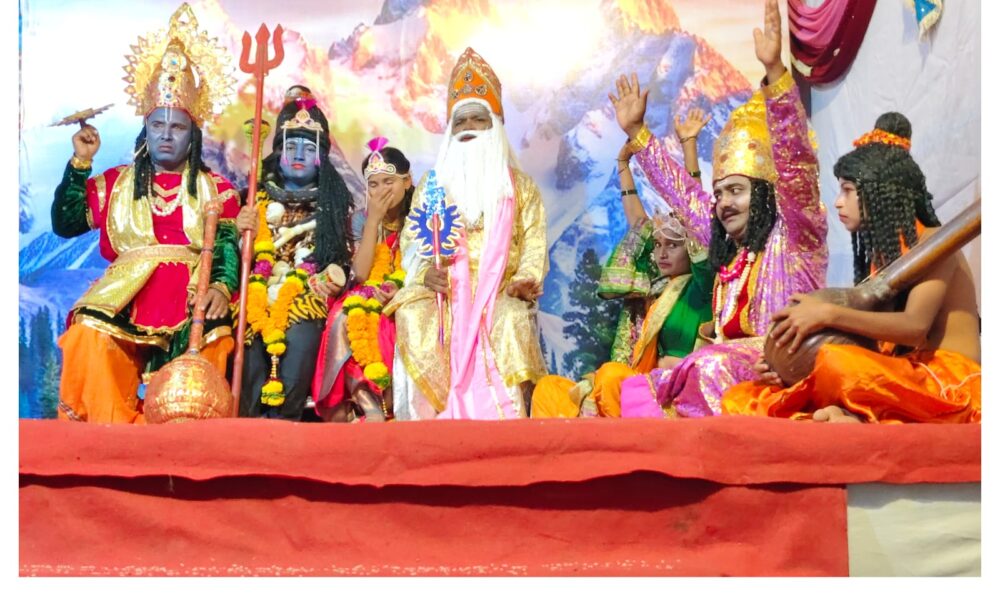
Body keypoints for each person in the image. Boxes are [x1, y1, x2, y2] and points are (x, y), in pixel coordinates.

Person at [610, 0, 827, 417]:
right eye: (720, 193)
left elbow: (796, 162)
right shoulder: (730, 248)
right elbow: (683, 196)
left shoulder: (795, 237)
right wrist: (638, 133)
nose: (724, 203)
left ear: (765, 194)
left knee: (705, 368)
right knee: (638, 385)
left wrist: (776, 74)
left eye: (736, 191)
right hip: (727, 368)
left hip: (779, 370)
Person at [722, 112, 981, 424]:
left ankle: (852, 413)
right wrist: (785, 367)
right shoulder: (883, 256)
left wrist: (828, 314)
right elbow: (877, 344)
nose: (838, 202)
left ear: (880, 191)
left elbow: (914, 329)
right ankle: (850, 412)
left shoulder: (935, 243)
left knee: (837, 364)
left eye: (847, 190)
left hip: (949, 381)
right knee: (750, 394)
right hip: (905, 372)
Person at [51, 4, 239, 423]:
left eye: (177, 127)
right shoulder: (116, 181)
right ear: (146, 130)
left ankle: (184, 440)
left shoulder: (216, 187)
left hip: (190, 291)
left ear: (193, 135)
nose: (166, 135)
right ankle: (111, 435)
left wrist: (221, 287)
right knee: (88, 334)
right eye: (158, 126)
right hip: (126, 292)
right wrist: (81, 163)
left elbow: (226, 243)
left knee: (213, 337)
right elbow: (66, 223)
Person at [384, 47, 548, 420]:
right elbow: (412, 244)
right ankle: (426, 423)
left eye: (478, 119)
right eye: (460, 121)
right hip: (443, 292)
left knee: (510, 318)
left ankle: (505, 423)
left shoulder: (520, 187)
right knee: (413, 315)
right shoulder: (432, 186)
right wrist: (424, 274)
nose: (469, 127)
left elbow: (534, 244)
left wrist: (524, 280)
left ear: (495, 127)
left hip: (500, 292)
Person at [531, 110, 714, 419]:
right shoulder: (653, 287)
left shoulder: (701, 287)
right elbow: (638, 223)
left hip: (674, 393)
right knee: (549, 388)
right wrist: (622, 166)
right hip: (635, 383)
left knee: (613, 376)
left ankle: (614, 442)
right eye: (658, 245)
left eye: (672, 246)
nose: (661, 253)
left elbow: (697, 217)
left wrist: (690, 147)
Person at [233, 87, 354, 420]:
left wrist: (328, 278)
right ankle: (246, 431)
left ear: (322, 158)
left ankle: (284, 428)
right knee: (249, 348)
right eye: (291, 145)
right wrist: (240, 233)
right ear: (278, 151)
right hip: (255, 293)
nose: (299, 153)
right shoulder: (252, 199)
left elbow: (340, 260)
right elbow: (231, 259)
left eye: (309, 147)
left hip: (304, 297)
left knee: (300, 339)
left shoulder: (333, 205)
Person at [311, 138, 415, 422]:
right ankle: (364, 402)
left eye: (389, 181)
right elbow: (361, 273)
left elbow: (422, 266)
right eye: (374, 184)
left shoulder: (420, 218)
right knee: (346, 315)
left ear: (407, 182)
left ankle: (395, 404)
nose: (381, 191)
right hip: (367, 290)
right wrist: (373, 222)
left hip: (410, 290)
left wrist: (399, 289)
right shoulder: (360, 220)